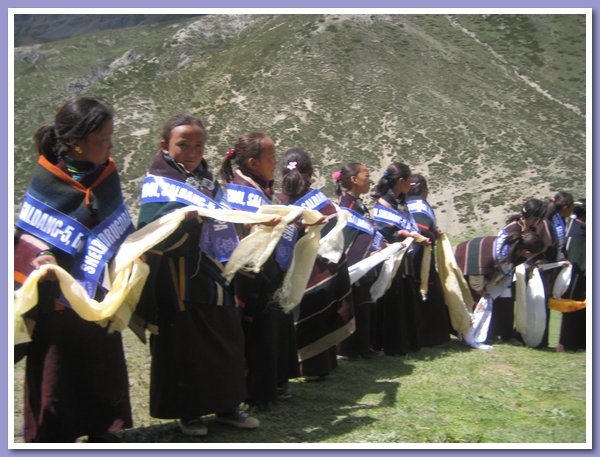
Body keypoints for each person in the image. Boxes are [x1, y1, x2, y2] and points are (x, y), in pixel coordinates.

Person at [14, 97, 133, 442]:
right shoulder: (47, 180)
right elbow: (27, 238)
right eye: (102, 140)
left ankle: (104, 432)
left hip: (97, 299)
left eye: (111, 137)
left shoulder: (107, 176)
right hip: (58, 304)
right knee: (57, 374)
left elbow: (117, 228)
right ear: (76, 141)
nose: (109, 146)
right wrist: (41, 259)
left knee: (101, 369)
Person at [135, 114, 258, 437]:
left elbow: (224, 219)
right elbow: (151, 230)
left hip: (214, 272)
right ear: (165, 146)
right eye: (183, 145)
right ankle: (187, 411)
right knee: (184, 344)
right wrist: (184, 220)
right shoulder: (157, 182)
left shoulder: (209, 182)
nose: (191, 152)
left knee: (227, 336)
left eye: (199, 145)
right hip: (176, 279)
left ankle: (227, 405)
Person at [220, 132, 300, 410]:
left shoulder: (261, 188)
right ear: (253, 162)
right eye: (271, 157)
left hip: (270, 272)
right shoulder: (239, 192)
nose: (275, 162)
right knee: (255, 334)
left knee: (270, 331)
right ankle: (255, 393)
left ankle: (273, 385)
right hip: (250, 275)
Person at [277, 148, 355, 380]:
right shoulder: (322, 203)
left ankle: (296, 367)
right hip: (320, 271)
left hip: (289, 273)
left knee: (296, 318)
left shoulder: (276, 201)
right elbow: (334, 240)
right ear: (311, 172)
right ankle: (319, 368)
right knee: (320, 317)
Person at [371, 162, 430, 356]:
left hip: (404, 259)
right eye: (408, 181)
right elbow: (380, 233)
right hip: (390, 258)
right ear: (401, 181)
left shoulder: (400, 202)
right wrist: (401, 234)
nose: (411, 186)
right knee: (391, 299)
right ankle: (388, 344)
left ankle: (406, 342)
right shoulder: (382, 205)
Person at [333, 163, 383, 360]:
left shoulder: (358, 204)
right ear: (354, 179)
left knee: (363, 303)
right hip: (353, 266)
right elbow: (345, 240)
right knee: (352, 305)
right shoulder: (347, 207)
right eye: (366, 175)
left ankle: (363, 346)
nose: (369, 179)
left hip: (365, 264)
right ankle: (349, 348)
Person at [406, 174, 451, 347]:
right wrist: (433, 234)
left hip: (410, 254)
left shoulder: (406, 203)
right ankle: (428, 336)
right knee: (429, 295)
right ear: (425, 190)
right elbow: (422, 229)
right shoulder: (419, 205)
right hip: (420, 255)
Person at [556, 197, 586, 352]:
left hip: (578, 275)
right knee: (574, 308)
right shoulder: (579, 232)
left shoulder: (576, 227)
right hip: (577, 276)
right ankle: (570, 344)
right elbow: (579, 259)